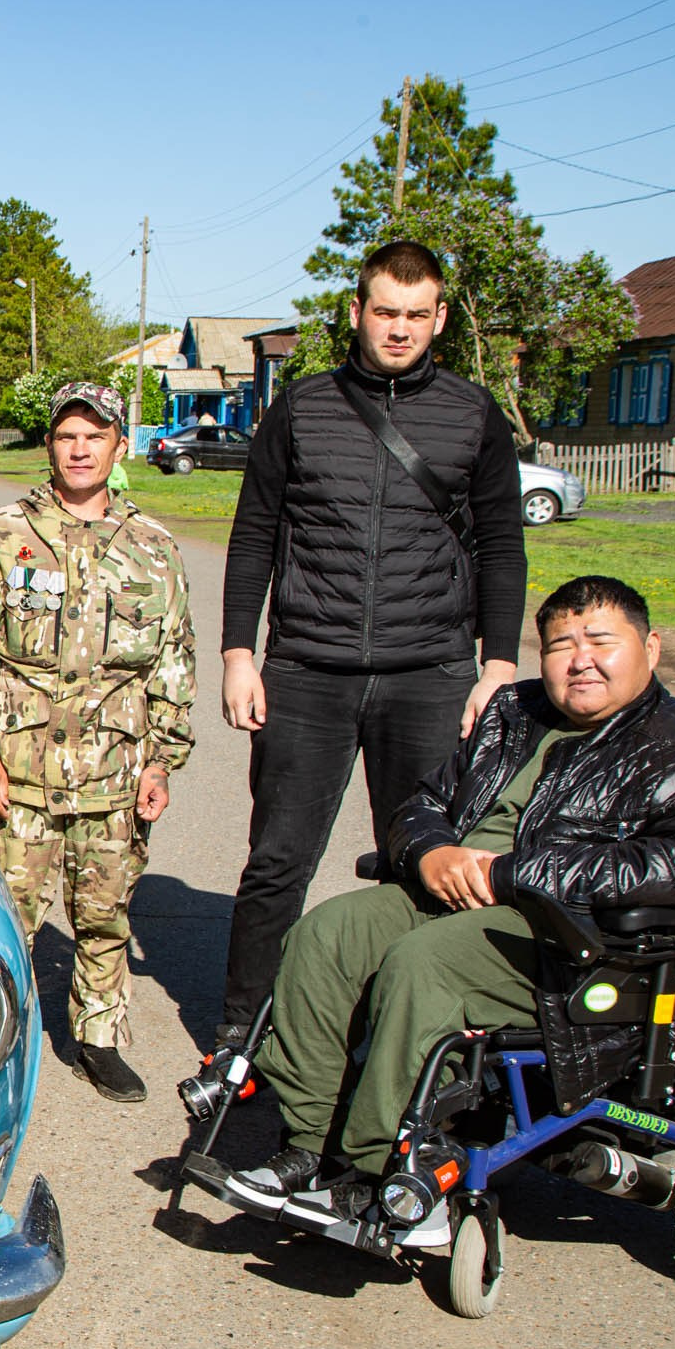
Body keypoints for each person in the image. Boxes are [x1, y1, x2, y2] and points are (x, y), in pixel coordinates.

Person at [229, 576, 675, 1210]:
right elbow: (424, 801)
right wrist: (431, 852)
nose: (579, 659)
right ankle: (310, 1142)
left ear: (652, 647)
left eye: (600, 641)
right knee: (328, 931)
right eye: (560, 645)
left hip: (576, 942)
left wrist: (518, 873)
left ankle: (378, 1166)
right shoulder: (513, 713)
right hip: (456, 896)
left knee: (426, 964)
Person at [214, 239, 528, 1054]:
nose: (398, 330)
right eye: (384, 311)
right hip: (308, 672)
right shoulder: (304, 409)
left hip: (428, 673)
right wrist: (239, 654)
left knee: (418, 862)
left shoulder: (474, 414)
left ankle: (393, 1031)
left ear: (441, 319)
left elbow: (501, 545)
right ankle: (244, 1031)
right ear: (356, 312)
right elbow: (254, 538)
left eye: (416, 315)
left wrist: (497, 665)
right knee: (278, 862)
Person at [0, 381, 196, 1101]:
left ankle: (98, 1037)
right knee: (4, 917)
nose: (80, 448)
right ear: (50, 446)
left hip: (115, 770)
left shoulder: (153, 548)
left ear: (119, 446)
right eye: (66, 435)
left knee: (105, 914)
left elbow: (173, 660)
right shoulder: (2, 534)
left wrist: (162, 761)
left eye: (95, 435)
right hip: (19, 770)